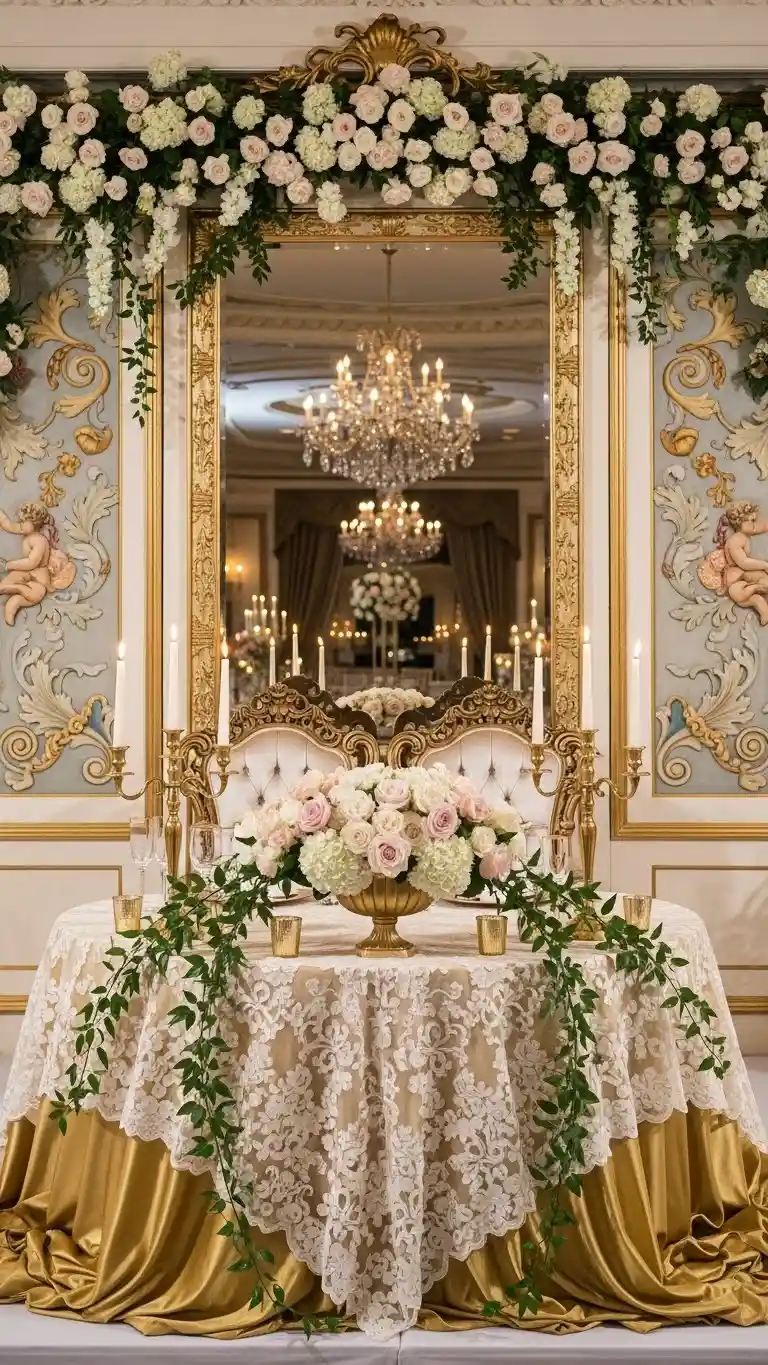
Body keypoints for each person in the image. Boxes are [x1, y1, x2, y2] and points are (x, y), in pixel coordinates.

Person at [0, 501, 76, 626]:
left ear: (35, 524)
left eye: (24, 523)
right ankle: (6, 587)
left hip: (39, 579)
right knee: (14, 577)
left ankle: (14, 596)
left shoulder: (39, 541)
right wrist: (2, 518)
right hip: (28, 574)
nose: (21, 526)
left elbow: (32, 563)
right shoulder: (29, 533)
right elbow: (10, 526)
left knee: (35, 594)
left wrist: (9, 565)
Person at [697, 500, 768, 625]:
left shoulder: (744, 533)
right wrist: (764, 565)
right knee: (738, 595)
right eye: (751, 521)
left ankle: (762, 602)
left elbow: (760, 527)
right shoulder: (736, 540)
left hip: (744, 575)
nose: (753, 525)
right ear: (739, 522)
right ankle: (756, 590)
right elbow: (743, 562)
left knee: (762, 582)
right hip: (735, 577)